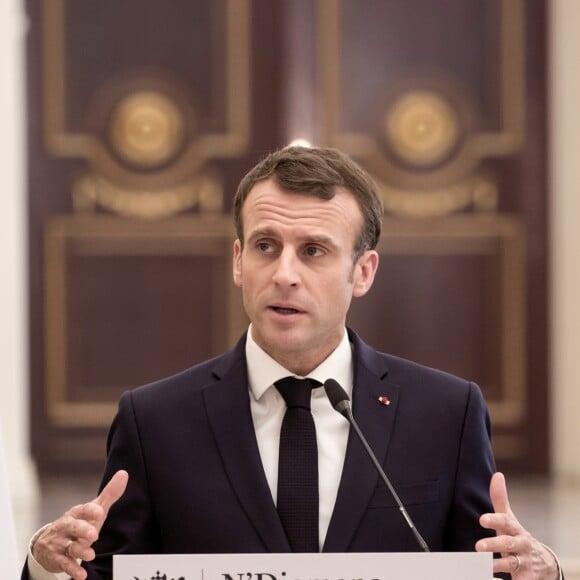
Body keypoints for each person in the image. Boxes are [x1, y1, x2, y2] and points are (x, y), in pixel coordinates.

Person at [23, 146, 562, 580]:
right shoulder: (154, 419)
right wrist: (44, 566)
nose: (284, 273)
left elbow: (487, 568)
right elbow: (104, 572)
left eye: (313, 251)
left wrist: (545, 572)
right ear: (238, 261)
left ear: (364, 271)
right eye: (264, 245)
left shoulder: (447, 412)